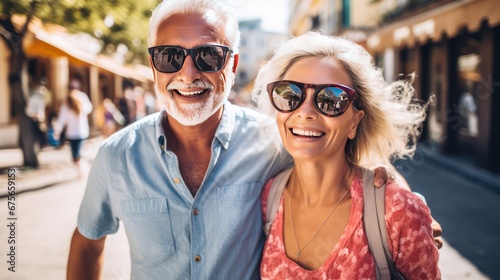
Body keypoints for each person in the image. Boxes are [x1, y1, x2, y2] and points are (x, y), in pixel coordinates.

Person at [66, 1, 425, 279]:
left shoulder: (276, 141)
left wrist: (394, 188)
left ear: (233, 65)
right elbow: (86, 243)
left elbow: (339, 156)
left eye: (208, 56)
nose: (188, 74)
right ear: (153, 65)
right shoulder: (116, 156)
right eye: (170, 56)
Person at [253, 32, 440, 279]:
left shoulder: (397, 212)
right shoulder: (270, 197)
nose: (305, 112)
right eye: (290, 94)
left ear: (355, 121)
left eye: (331, 98)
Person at [54, 79, 93, 168]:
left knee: (75, 154)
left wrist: (57, 130)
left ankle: (80, 168)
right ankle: (81, 168)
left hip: (72, 132)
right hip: (81, 131)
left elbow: (62, 118)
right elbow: (89, 109)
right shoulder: (82, 98)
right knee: (78, 153)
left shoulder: (69, 101)